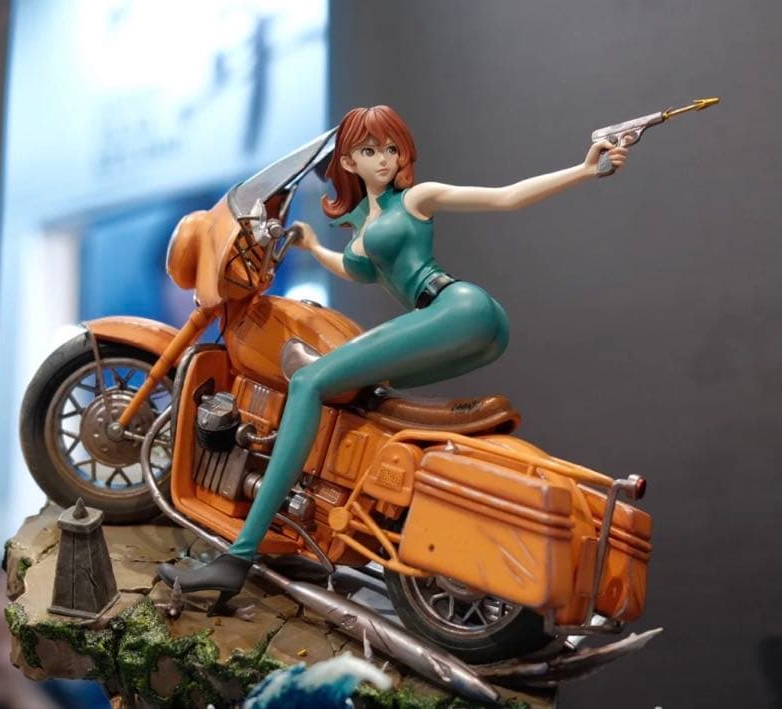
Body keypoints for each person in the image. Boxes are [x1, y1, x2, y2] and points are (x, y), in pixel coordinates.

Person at [158, 105, 629, 604]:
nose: (383, 159)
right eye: (369, 150)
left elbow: (506, 197)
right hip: (455, 322)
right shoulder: (364, 222)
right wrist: (311, 246)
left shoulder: (416, 199)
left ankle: (238, 557)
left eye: (390, 149)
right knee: (355, 393)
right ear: (349, 161)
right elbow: (355, 268)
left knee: (309, 381)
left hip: (459, 308)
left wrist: (584, 170)